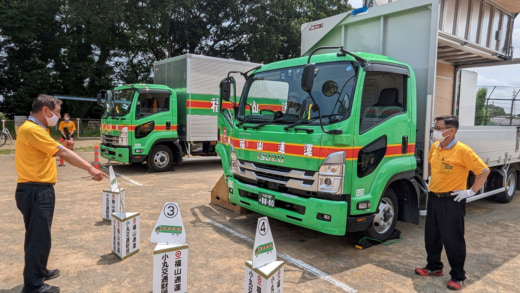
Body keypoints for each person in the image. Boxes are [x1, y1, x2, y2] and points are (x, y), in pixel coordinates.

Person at [15, 94, 108, 293]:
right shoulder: (32, 129)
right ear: (46, 111)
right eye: (57, 112)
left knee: (38, 235)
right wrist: (91, 168)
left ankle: (39, 271)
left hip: (37, 189)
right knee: (38, 238)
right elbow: (62, 153)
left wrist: (63, 145)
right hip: (35, 190)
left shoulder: (38, 129)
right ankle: (33, 285)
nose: (59, 116)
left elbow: (50, 150)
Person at [415, 115, 489, 291]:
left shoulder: (462, 151)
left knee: (453, 240)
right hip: (434, 197)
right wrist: (432, 179)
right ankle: (434, 267)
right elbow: (432, 164)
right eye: (435, 127)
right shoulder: (435, 147)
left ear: (451, 130)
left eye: (439, 128)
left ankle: (458, 276)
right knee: (431, 236)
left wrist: (470, 191)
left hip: (452, 201)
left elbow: (483, 171)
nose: (435, 131)